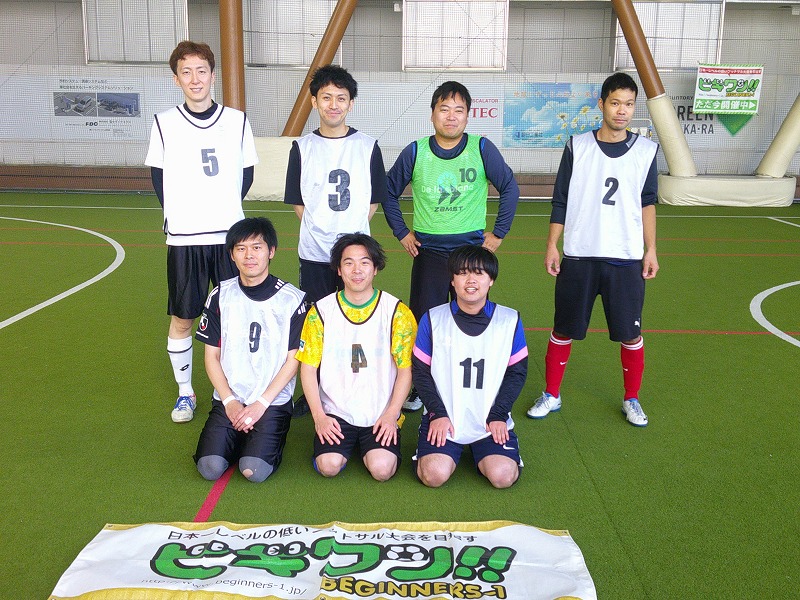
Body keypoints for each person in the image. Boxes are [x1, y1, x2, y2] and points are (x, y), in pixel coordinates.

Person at [526, 72, 659, 427]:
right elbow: (561, 199)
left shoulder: (646, 151)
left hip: (626, 258)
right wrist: (552, 245)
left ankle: (632, 399)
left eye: (629, 104)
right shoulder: (578, 146)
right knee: (563, 328)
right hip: (580, 254)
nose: (622, 110)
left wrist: (650, 249)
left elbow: (647, 202)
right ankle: (552, 394)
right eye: (615, 103)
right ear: (602, 104)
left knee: (630, 333)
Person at [382, 81, 519, 412]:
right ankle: (419, 387)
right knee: (425, 322)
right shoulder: (416, 151)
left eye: (459, 110)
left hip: (470, 254)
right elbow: (387, 191)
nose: (451, 116)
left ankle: (462, 381)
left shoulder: (481, 148)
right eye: (444, 109)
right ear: (432, 114)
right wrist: (402, 232)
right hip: (428, 252)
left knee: (468, 319)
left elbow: (509, 187)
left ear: (468, 116)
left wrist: (498, 234)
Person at [145, 41, 259, 423]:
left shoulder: (237, 121)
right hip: (185, 239)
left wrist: (222, 209)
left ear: (213, 75)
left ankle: (226, 390)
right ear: (176, 79)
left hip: (228, 238)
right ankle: (185, 393)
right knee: (183, 317)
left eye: (201, 71)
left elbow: (246, 174)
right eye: (186, 72)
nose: (195, 79)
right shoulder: (164, 123)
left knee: (234, 316)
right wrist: (184, 215)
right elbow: (158, 178)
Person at [284, 64, 388, 417]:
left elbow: (372, 201)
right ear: (314, 101)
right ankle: (314, 389)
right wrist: (322, 232)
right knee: (317, 321)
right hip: (314, 253)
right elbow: (299, 203)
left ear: (351, 103)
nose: (333, 104)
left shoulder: (367, 146)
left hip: (355, 256)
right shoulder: (302, 147)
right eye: (326, 97)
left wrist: (349, 240)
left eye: (341, 98)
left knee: (354, 319)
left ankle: (351, 386)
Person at [296, 233, 417, 482]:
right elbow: (308, 368)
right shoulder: (320, 311)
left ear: (375, 268)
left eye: (364, 262)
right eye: (348, 263)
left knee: (382, 470)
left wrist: (392, 413)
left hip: (380, 410)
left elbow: (406, 370)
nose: (357, 270)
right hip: (336, 411)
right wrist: (319, 417)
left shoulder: (398, 312)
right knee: (328, 466)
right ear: (339, 270)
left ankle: (370, 447)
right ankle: (340, 448)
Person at [193, 217, 306, 483]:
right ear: (232, 255)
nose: (249, 255)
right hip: (230, 398)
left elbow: (294, 360)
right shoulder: (220, 294)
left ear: (271, 251)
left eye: (257, 247)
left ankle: (253, 437)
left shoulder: (293, 299)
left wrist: (260, 404)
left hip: (271, 401)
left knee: (253, 470)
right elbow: (211, 356)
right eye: (241, 248)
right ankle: (236, 433)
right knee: (209, 467)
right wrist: (229, 401)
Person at [413, 245, 527, 489]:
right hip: (446, 417)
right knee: (433, 475)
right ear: (452, 280)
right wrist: (437, 413)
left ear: (491, 280)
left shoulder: (509, 320)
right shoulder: (432, 318)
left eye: (479, 273)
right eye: (463, 273)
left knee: (502, 476)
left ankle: (484, 449)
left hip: (489, 420)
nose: (471, 280)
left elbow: (516, 372)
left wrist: (498, 415)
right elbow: (420, 372)